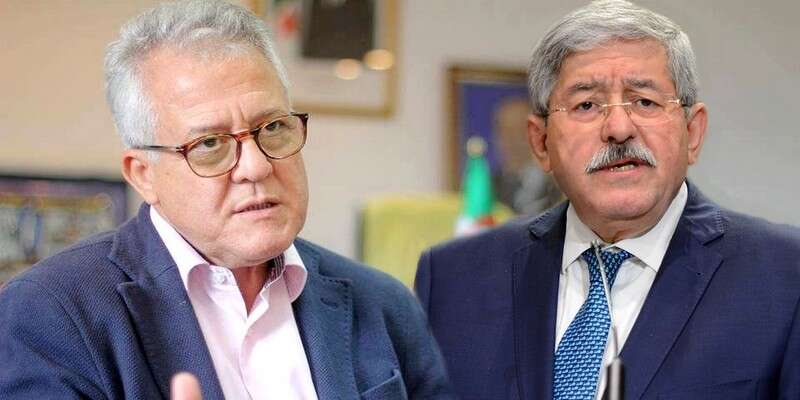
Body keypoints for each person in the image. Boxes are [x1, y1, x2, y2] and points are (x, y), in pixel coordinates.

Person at [0, 1, 453, 399]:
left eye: (272, 128)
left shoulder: (386, 305)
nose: (256, 166)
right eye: (210, 144)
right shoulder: (49, 313)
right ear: (144, 175)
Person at [415, 1, 800, 399]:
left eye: (645, 101)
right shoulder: (451, 280)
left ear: (693, 132)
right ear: (541, 143)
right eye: (586, 105)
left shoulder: (787, 276)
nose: (618, 128)